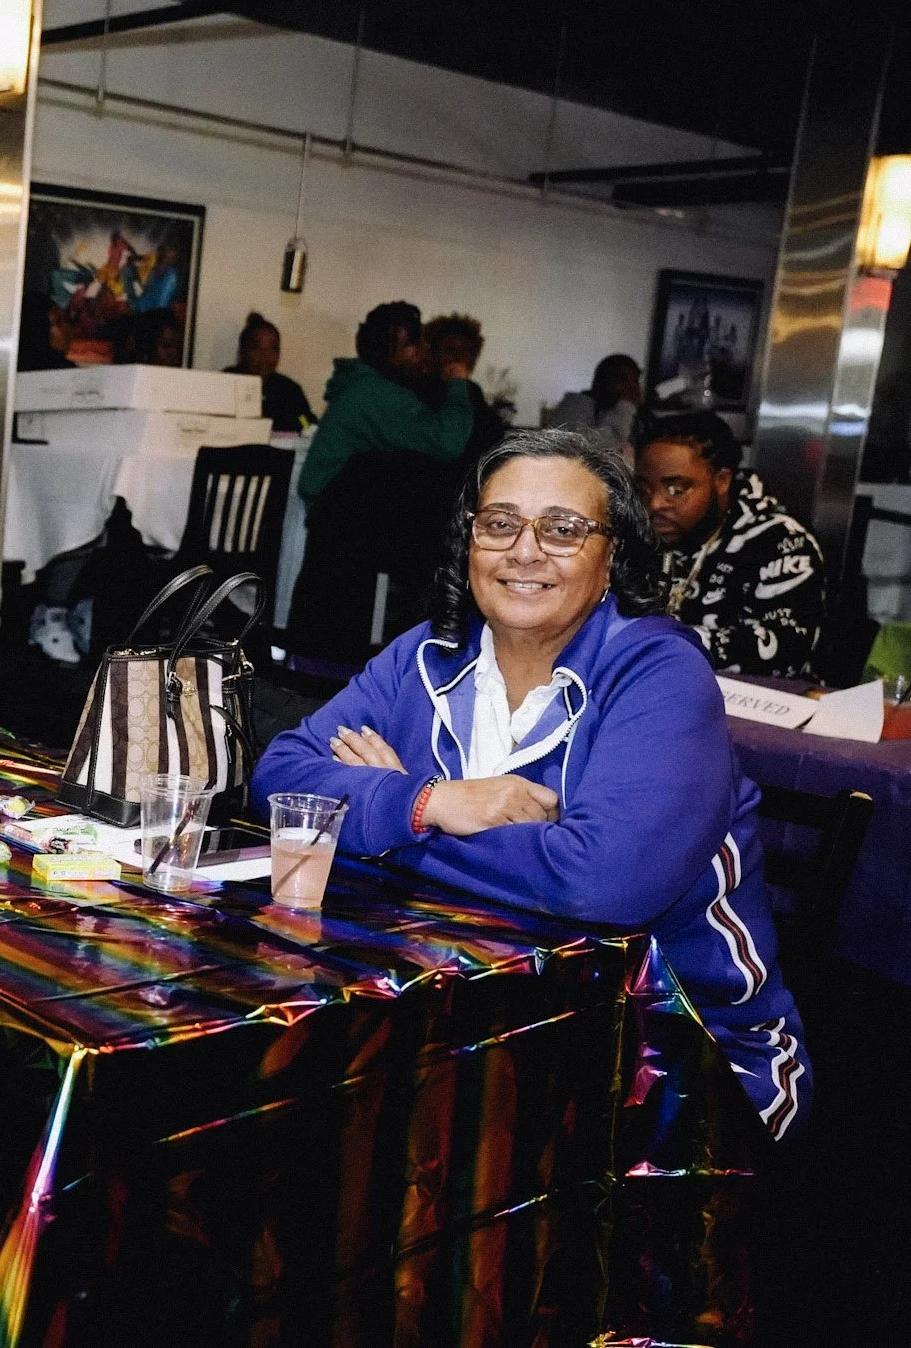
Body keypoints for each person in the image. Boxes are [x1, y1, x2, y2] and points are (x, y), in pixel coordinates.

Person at [255, 429, 809, 1140]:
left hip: (676, 1058)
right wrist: (432, 801)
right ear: (469, 542)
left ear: (613, 555)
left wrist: (389, 831)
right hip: (475, 1029)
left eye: (563, 529)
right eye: (500, 523)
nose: (524, 549)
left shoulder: (659, 675)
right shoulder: (424, 655)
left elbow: (600, 884)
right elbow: (279, 779)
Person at [286, 301, 473, 662]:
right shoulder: (376, 395)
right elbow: (446, 442)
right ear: (389, 349)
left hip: (339, 506)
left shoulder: (364, 386)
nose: (420, 353)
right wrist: (459, 387)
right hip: (338, 508)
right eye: (411, 344)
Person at [635, 410, 826, 678]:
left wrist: (661, 642)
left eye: (676, 489)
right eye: (644, 489)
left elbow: (786, 648)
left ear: (722, 481)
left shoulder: (779, 540)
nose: (655, 504)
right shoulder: (639, 534)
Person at [423, 312, 506, 466]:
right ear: (433, 353)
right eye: (449, 350)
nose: (458, 357)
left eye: (465, 351)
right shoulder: (420, 390)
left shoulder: (472, 391)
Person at [225, 311, 314, 432]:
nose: (265, 356)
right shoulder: (224, 383)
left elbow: (306, 423)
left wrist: (308, 427)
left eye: (273, 349)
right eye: (256, 348)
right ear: (242, 351)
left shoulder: (290, 391)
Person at [548, 354, 642, 452]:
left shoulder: (636, 415)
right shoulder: (576, 407)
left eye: (635, 381)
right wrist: (625, 407)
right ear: (603, 381)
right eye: (622, 380)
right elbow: (588, 449)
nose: (632, 387)